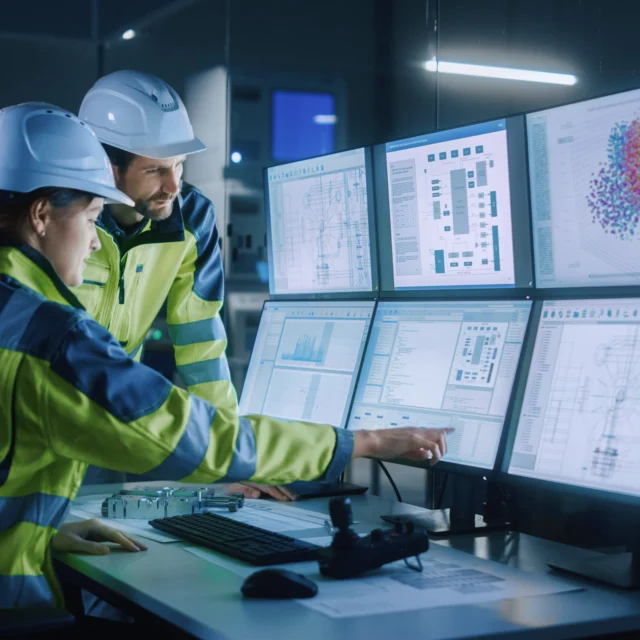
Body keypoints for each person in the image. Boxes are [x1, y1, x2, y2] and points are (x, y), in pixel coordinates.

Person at [0, 102, 451, 609]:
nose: (91, 241)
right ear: (41, 216)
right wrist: (359, 442)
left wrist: (38, 527)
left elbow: (201, 348)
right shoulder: (50, 336)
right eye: (90, 217)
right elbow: (180, 433)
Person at [77, 70, 291, 499]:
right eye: (156, 170)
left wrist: (229, 458)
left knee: (89, 548)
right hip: (31, 420)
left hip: (105, 429)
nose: (173, 185)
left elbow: (201, 346)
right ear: (106, 165)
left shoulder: (192, 218)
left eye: (179, 165)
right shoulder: (63, 215)